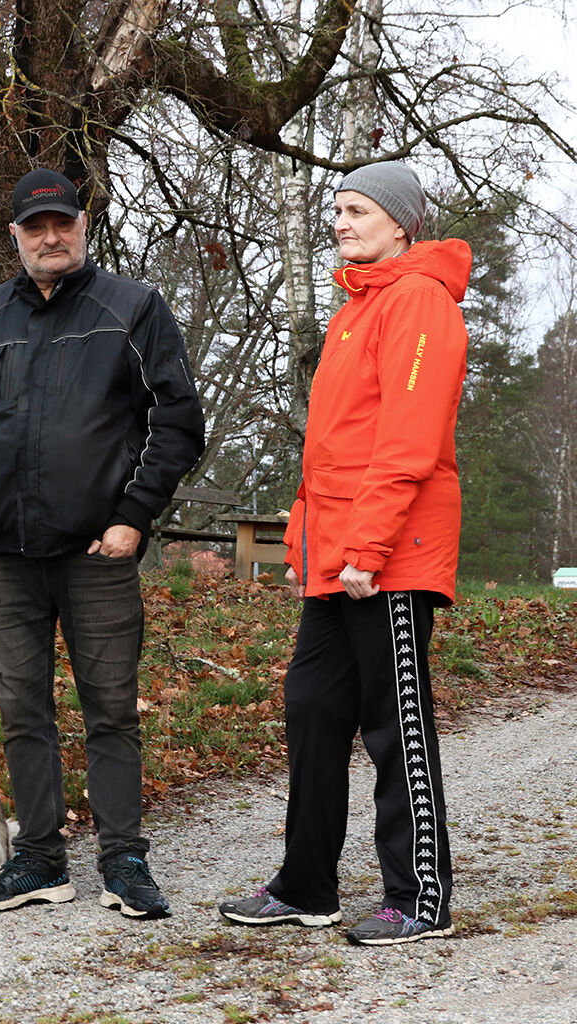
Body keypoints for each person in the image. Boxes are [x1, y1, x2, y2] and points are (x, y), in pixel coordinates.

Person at [0, 168, 205, 918]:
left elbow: (177, 422)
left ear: (83, 226)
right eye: (36, 227)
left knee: (109, 706)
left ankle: (124, 860)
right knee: (21, 708)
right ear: (13, 236)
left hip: (97, 554)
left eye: (64, 224)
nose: (52, 237)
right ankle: (41, 859)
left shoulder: (132, 309)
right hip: (6, 556)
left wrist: (134, 514)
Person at [218, 161, 471, 945]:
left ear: (401, 223)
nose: (341, 221)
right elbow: (329, 449)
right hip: (342, 556)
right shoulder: (357, 309)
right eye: (336, 209)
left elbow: (408, 440)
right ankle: (307, 885)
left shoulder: (419, 302)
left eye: (357, 210)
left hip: (390, 553)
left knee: (393, 723)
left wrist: (365, 545)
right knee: (313, 707)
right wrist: (306, 536)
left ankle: (419, 896)